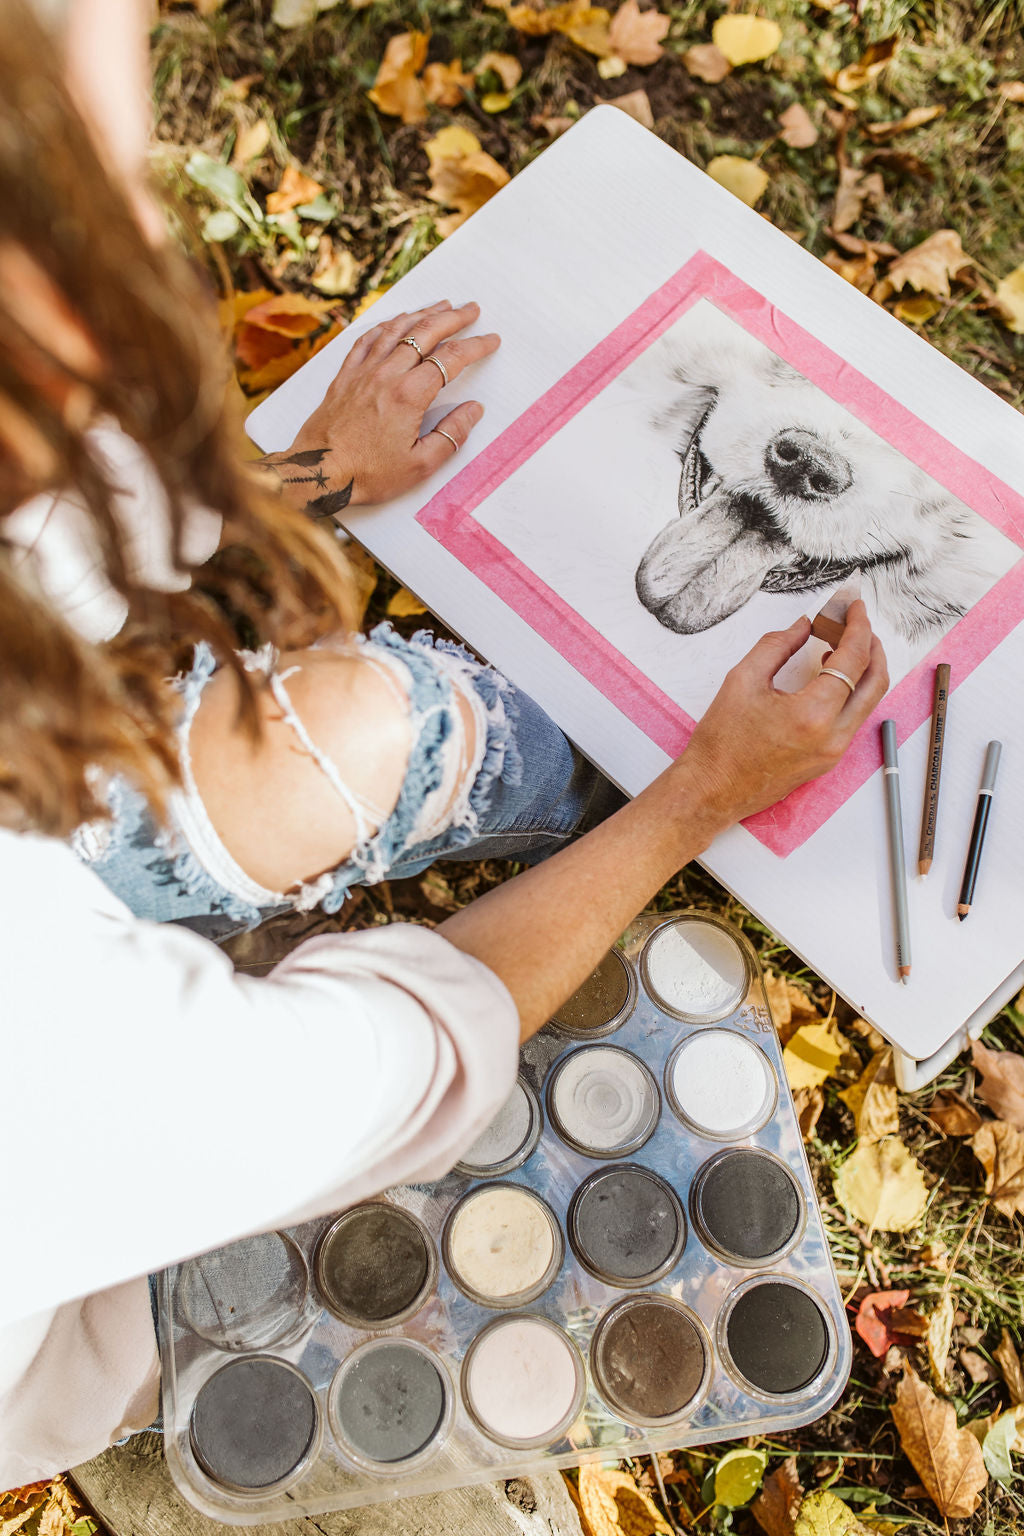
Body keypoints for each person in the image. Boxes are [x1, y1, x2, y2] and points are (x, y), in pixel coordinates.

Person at [0, 0, 889, 1486]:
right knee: (370, 732)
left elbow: (56, 577)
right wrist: (692, 797)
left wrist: (302, 485)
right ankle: (566, 764)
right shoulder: (67, 1056)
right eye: (114, 197)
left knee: (330, 732)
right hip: (106, 1267)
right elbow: (421, 1042)